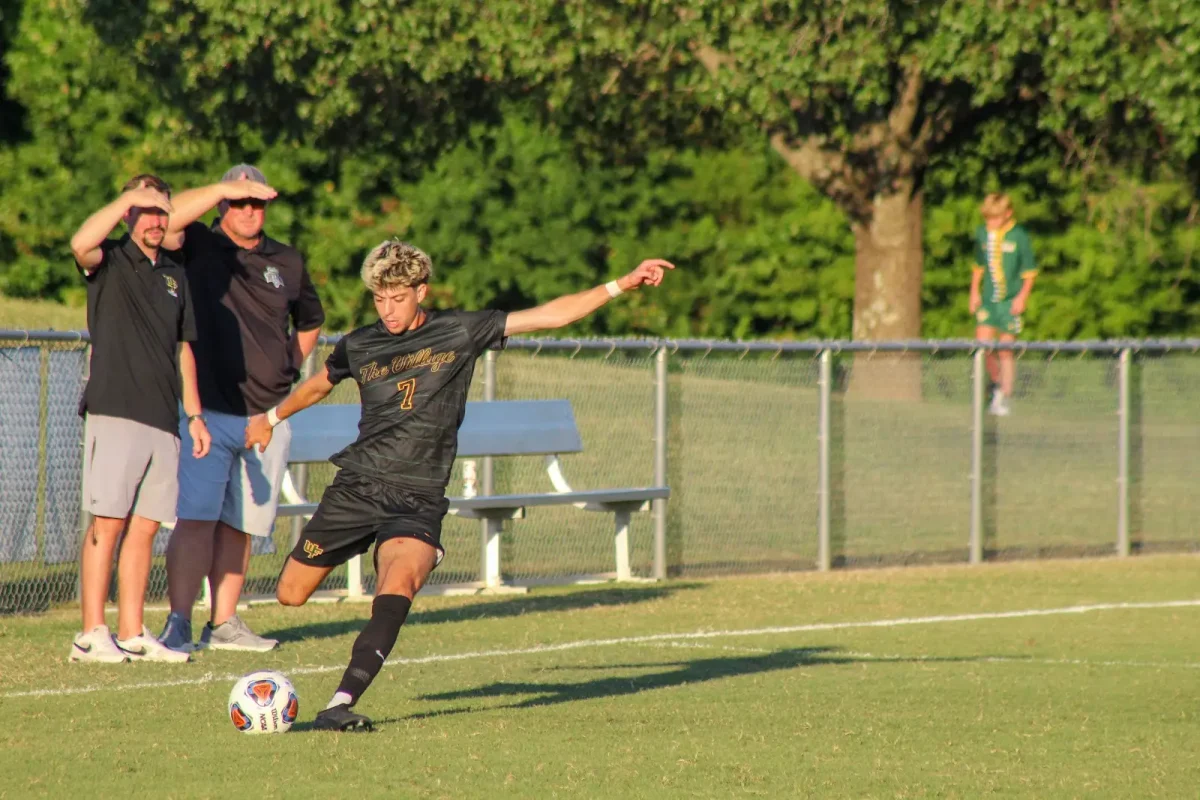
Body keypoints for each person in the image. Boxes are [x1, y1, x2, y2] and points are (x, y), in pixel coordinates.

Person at [244, 239, 674, 730]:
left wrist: (623, 283)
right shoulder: (360, 344)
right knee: (290, 594)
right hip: (357, 487)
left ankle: (338, 705)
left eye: (398, 298)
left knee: (398, 586)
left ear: (421, 291)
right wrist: (271, 418)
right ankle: (381, 543)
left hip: (417, 497)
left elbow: (551, 316)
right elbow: (321, 382)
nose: (387, 309)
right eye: (379, 298)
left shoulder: (458, 331)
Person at [157, 164, 326, 653]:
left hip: (265, 418)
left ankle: (225, 622)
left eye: (257, 202)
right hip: (208, 412)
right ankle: (180, 622)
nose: (250, 210)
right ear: (223, 204)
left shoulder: (287, 260)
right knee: (196, 519)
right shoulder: (200, 247)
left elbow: (311, 320)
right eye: (240, 200)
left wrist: (286, 371)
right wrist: (218, 188)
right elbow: (165, 224)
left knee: (241, 526)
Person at [68, 174, 211, 663]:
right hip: (115, 409)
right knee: (107, 523)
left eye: (160, 211)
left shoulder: (175, 273)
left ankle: (131, 631)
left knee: (146, 528)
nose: (154, 220)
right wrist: (129, 197)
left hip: (163, 418)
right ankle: (91, 633)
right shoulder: (108, 259)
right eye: (144, 210)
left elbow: (183, 350)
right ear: (128, 212)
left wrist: (193, 414)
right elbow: (79, 243)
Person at [969, 193, 1037, 416]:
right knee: (983, 345)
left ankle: (1005, 396)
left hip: (1010, 301)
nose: (991, 223)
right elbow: (979, 265)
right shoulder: (982, 234)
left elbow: (1029, 272)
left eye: (995, 218)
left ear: (1007, 214)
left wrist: (1022, 298)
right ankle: (996, 384)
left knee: (1005, 349)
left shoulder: (1019, 236)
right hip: (989, 299)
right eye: (988, 219)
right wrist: (974, 292)